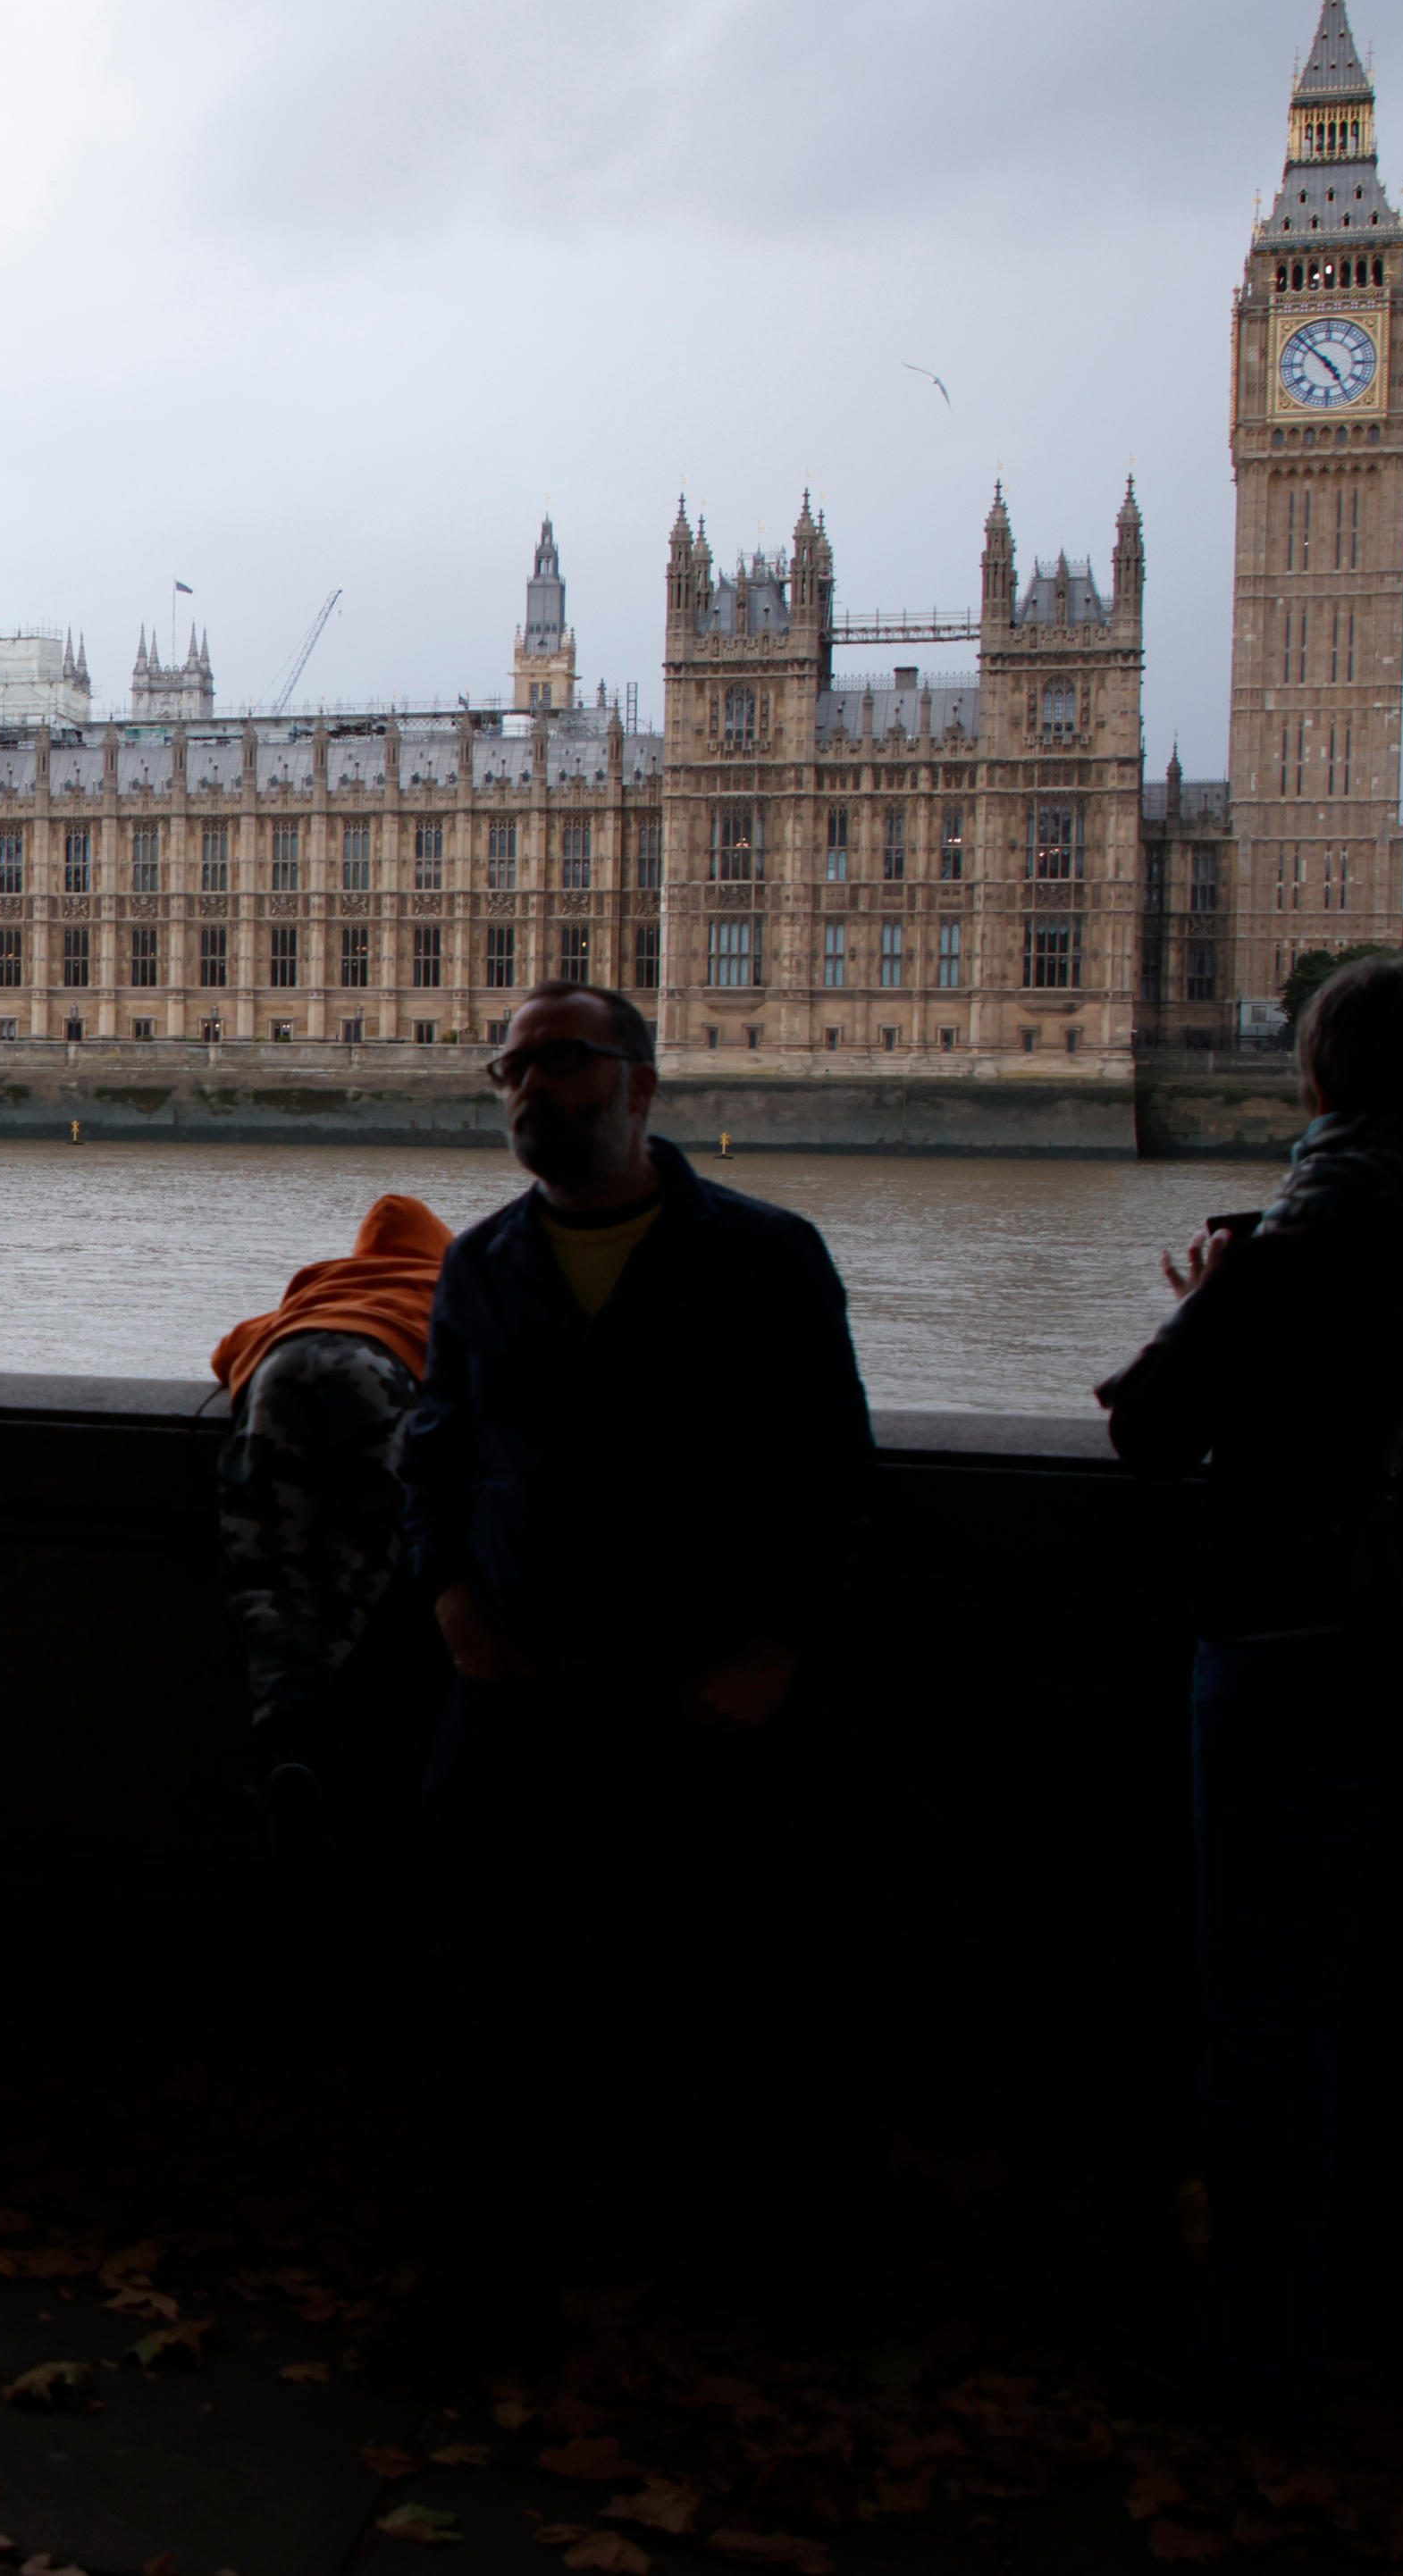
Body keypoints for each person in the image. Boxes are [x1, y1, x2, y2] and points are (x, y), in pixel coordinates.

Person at [1098, 950, 1403, 2426]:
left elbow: (1151, 1436)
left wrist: (1206, 1296)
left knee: (1271, 2014)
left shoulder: (1283, 1259)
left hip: (1290, 1663)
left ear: (1313, 1081)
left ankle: (1258, 2353)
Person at [391, 982, 874, 2370]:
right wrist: (451, 1600)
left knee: (727, 2011)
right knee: (489, 2023)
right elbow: (435, 1448)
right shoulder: (484, 1261)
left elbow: (832, 1472)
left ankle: (753, 2290)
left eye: (562, 1062)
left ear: (642, 1083)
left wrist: (780, 1646)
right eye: (512, 1067)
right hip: (520, 1693)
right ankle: (482, 2303)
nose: (531, 1088)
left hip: (691, 1698)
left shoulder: (767, 1255)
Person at [210, 1193, 454, 1858]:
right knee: (370, 1567)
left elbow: (227, 1350)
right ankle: (338, 1753)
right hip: (382, 1373)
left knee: (266, 1563)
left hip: (282, 1364)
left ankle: (284, 1743)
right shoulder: (447, 1281)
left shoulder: (324, 1281)